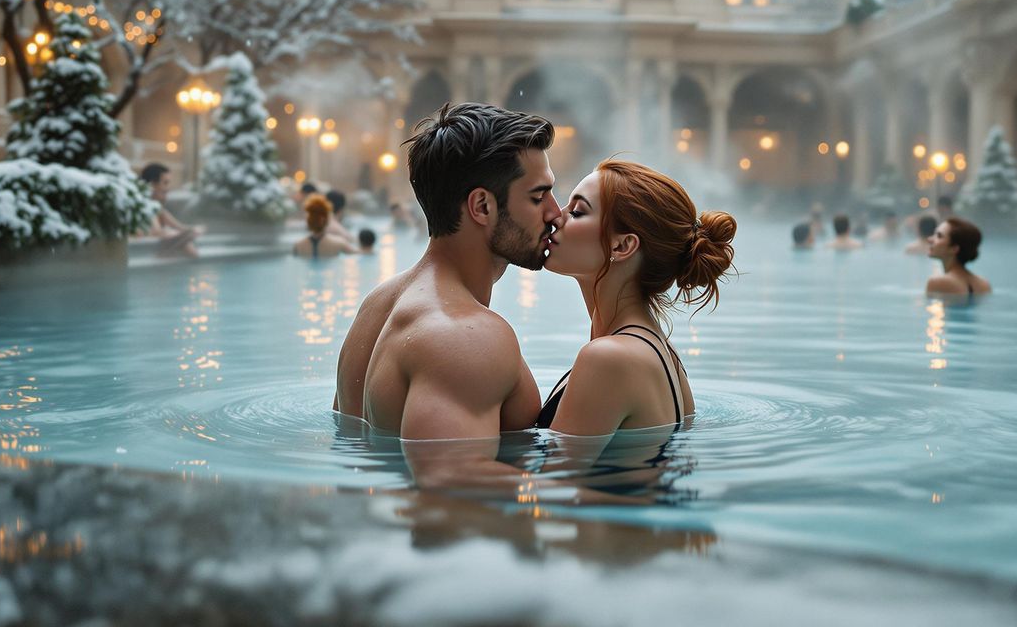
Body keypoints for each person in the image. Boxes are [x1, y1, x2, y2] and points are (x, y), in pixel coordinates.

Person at [334, 102, 559, 445]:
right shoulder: (464, 336)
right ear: (482, 206)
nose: (556, 213)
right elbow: (452, 491)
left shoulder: (379, 303)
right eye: (538, 196)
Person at [536, 159, 736, 436]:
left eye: (578, 211)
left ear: (622, 245)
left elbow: (557, 476)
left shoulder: (608, 359)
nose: (556, 216)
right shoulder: (665, 355)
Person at [139, 163, 203, 258]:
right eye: (165, 183)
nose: (168, 188)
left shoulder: (158, 210)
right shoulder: (143, 208)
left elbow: (182, 228)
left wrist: (193, 230)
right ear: (152, 184)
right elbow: (157, 233)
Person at [926, 216, 992, 298]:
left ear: (954, 248)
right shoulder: (984, 284)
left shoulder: (937, 282)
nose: (930, 239)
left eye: (939, 236)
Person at [293, 194, 360, 258]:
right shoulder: (339, 243)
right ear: (327, 219)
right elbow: (362, 253)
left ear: (308, 220)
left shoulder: (298, 246)